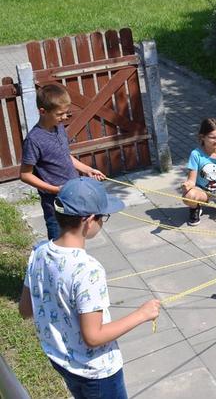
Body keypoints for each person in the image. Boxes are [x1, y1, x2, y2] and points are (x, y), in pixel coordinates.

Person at [18, 177, 161, 399]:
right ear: (90, 220)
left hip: (60, 360)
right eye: (104, 217)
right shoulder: (88, 270)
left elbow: (26, 309)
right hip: (97, 373)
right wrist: (142, 314)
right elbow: (93, 337)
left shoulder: (39, 251)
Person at [20, 83, 106, 240]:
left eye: (66, 113)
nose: (64, 117)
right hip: (55, 204)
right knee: (58, 241)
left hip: (73, 197)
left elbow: (65, 155)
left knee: (76, 238)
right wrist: (54, 189)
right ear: (43, 111)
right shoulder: (34, 140)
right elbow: (25, 175)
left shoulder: (58, 127)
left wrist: (87, 169)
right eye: (60, 114)